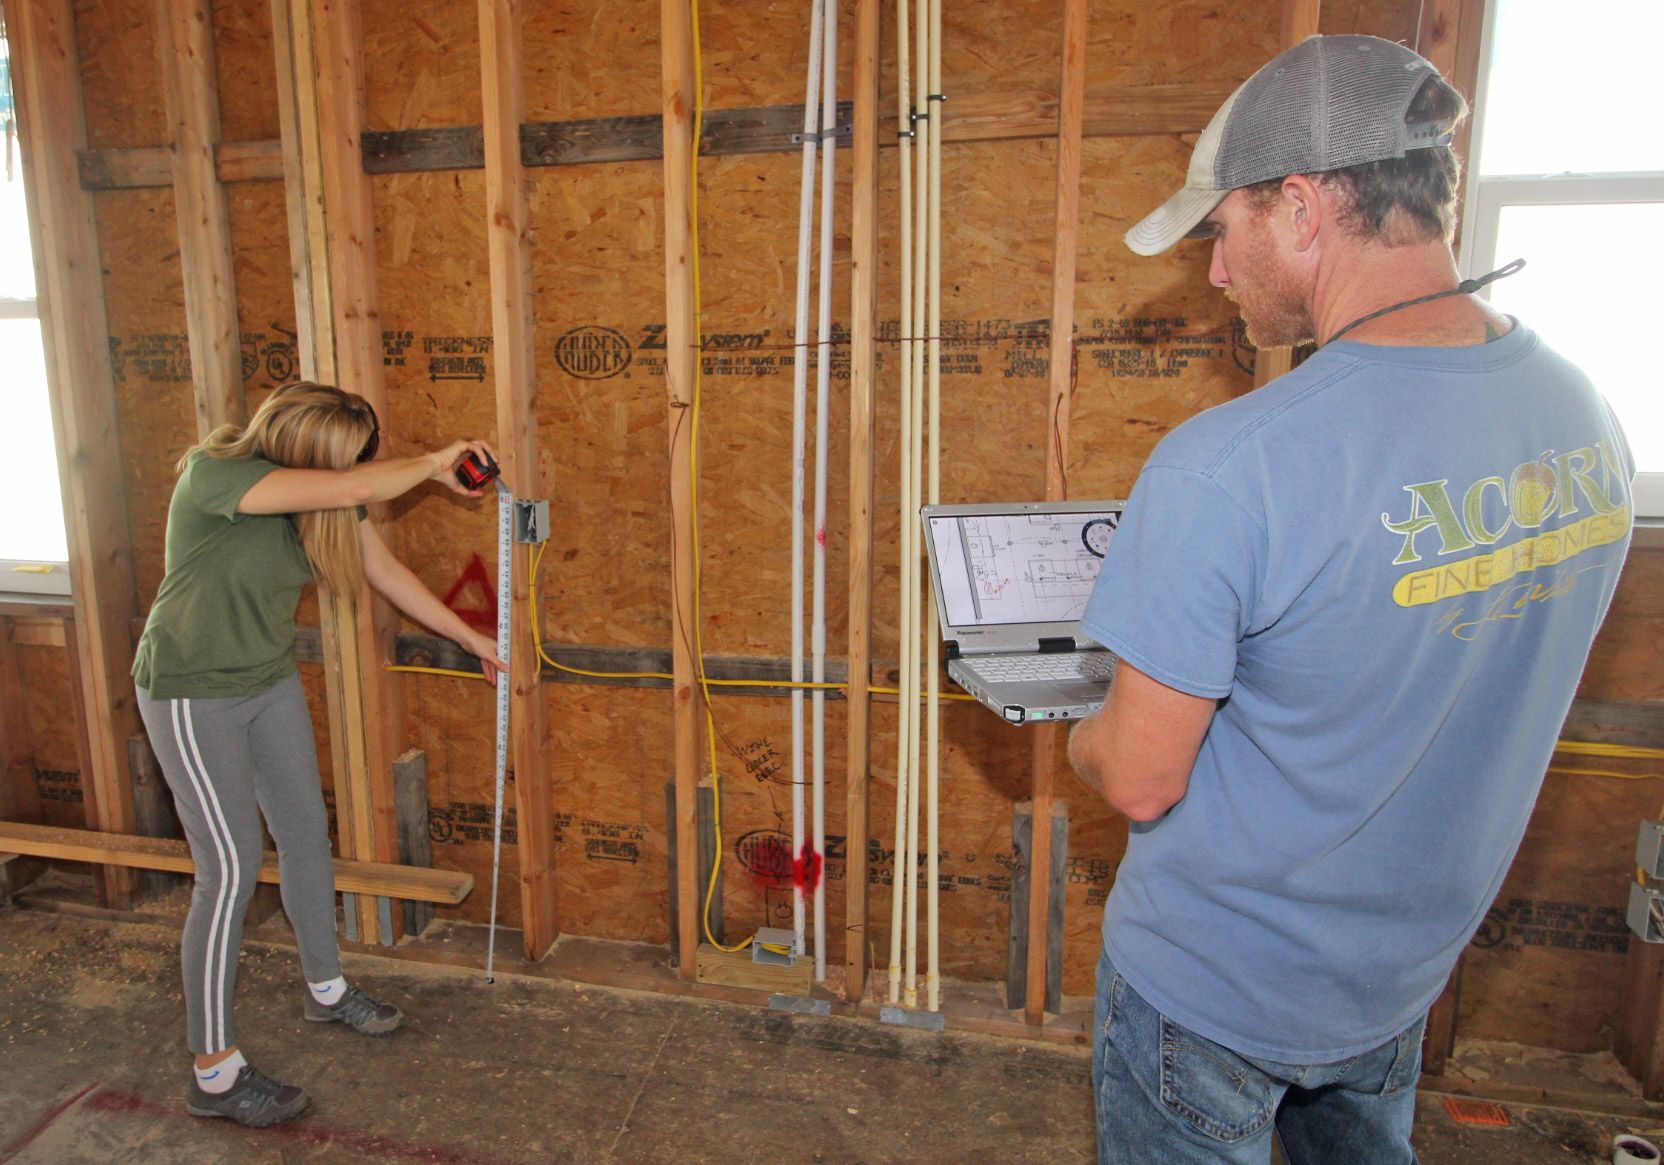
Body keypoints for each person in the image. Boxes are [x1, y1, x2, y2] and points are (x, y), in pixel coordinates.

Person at [1068, 35, 1633, 1165]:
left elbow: (1137, 775)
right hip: (1394, 978)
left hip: (1213, 990)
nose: (1216, 273)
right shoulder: (1580, 414)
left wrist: (1078, 723)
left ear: (1298, 206)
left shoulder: (1230, 463)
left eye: (1219, 234)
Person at [131, 381, 506, 1128]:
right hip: (189, 689)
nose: (356, 470)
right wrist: (434, 461)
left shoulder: (327, 497)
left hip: (265, 680)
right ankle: (214, 1070)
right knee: (231, 866)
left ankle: (326, 989)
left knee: (306, 835)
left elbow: (385, 572)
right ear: (310, 447)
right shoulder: (217, 474)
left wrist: (471, 638)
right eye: (345, 458)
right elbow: (363, 483)